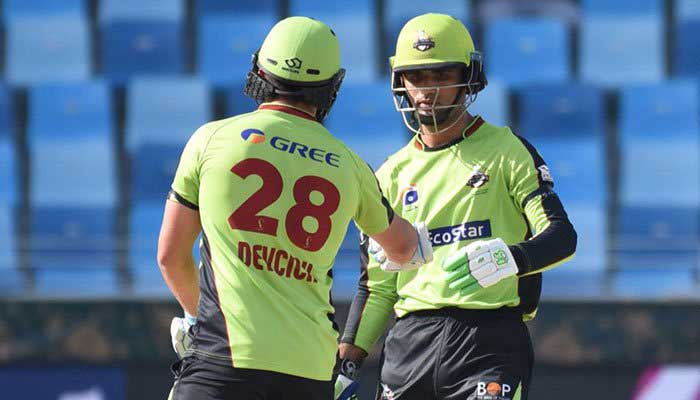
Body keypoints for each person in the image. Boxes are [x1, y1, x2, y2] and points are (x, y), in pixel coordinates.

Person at [158, 16, 432, 400]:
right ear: (331, 88)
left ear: (259, 70)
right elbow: (405, 249)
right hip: (309, 370)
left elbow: (170, 257)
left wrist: (198, 318)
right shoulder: (350, 165)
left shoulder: (211, 139)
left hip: (223, 358)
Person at [335, 13, 577, 400]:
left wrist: (512, 258)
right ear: (400, 82)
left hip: (488, 343)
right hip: (409, 347)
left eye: (441, 75)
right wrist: (346, 364)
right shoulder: (390, 174)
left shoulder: (507, 151)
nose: (427, 90)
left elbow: (561, 236)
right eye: (416, 77)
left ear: (469, 78)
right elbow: (377, 288)